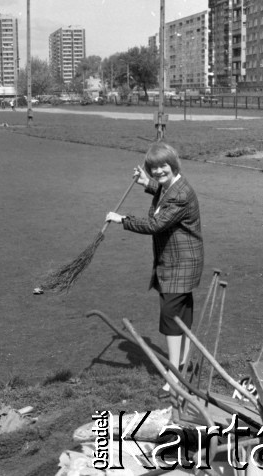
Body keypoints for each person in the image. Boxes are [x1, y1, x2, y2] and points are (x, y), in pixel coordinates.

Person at [106, 142, 204, 398]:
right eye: (153, 167)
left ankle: (175, 374)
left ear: (174, 164)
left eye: (163, 166)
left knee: (172, 318)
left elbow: (155, 223)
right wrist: (146, 183)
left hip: (179, 264)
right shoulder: (173, 185)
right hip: (178, 261)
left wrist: (122, 220)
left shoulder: (180, 193)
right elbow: (163, 195)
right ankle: (183, 367)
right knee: (180, 316)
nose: (159, 171)